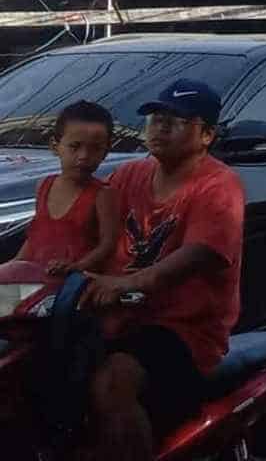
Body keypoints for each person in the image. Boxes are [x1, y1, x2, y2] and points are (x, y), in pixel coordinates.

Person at [79, 80, 245, 461]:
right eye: (155, 119)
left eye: (176, 121)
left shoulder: (219, 186)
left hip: (183, 331)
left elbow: (190, 259)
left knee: (112, 383)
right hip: (115, 319)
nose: (160, 128)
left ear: (206, 135)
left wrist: (123, 283)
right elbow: (81, 229)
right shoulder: (128, 176)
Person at [18, 101, 120, 276]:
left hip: (76, 283)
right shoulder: (44, 186)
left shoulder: (102, 194)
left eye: (95, 148)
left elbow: (108, 245)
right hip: (36, 279)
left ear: (105, 152)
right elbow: (36, 237)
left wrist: (77, 266)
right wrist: (15, 265)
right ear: (55, 146)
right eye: (75, 146)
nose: (84, 156)